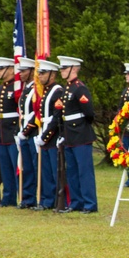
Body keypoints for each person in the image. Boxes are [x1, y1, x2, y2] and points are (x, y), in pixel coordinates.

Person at [56, 56, 98, 214]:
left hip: (80, 134)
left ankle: (89, 203)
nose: (62, 71)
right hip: (69, 134)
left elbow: (89, 113)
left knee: (84, 171)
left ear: (74, 69)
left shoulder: (80, 88)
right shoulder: (67, 88)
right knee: (72, 171)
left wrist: (79, 126)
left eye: (65, 68)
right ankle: (76, 202)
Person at [32, 60, 63, 210]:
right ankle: (46, 200)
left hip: (52, 136)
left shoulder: (57, 91)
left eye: (43, 73)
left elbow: (56, 117)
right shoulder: (45, 91)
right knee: (45, 171)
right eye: (39, 73)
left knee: (54, 170)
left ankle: (57, 200)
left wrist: (45, 137)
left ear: (52, 75)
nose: (40, 76)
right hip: (44, 132)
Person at [0, 57, 18, 207]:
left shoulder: (17, 88)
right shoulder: (0, 89)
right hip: (2, 133)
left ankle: (21, 197)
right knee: (5, 168)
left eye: (2, 69)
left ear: (10, 70)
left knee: (16, 167)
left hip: (13, 132)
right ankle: (8, 197)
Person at [15, 58, 38, 208]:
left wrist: (26, 130)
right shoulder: (27, 89)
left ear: (31, 71)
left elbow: (36, 112)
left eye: (23, 71)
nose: (20, 74)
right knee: (27, 168)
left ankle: (39, 198)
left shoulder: (37, 89)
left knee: (35, 168)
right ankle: (28, 198)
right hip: (24, 132)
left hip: (33, 132)